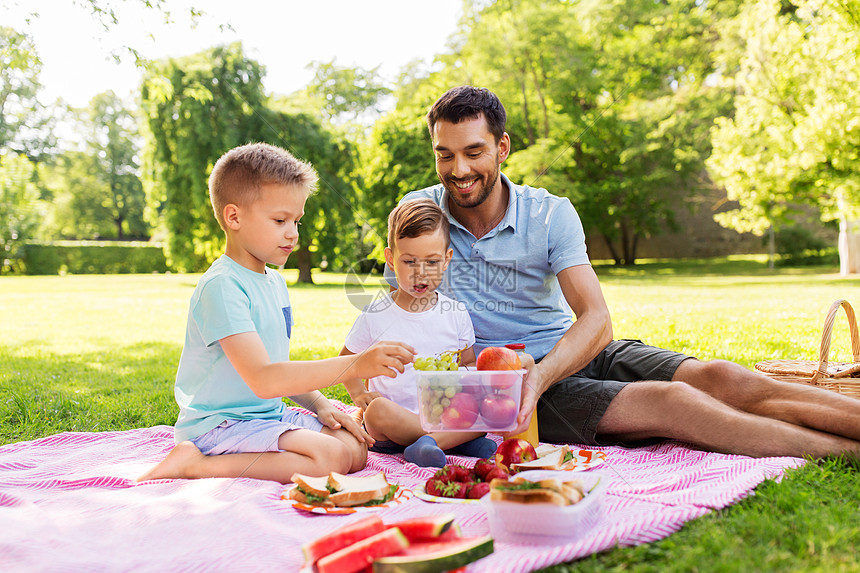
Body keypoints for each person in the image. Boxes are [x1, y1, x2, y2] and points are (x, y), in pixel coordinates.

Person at [392, 85, 860, 459]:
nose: (459, 169)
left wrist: (542, 373)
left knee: (722, 378)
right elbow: (402, 320)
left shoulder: (549, 213)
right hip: (502, 391)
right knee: (675, 404)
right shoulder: (417, 216)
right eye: (445, 155)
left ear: (502, 147)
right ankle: (843, 453)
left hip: (568, 356)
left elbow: (596, 318)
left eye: (473, 151)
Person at [137, 143, 414, 484]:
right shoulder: (222, 287)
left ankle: (265, 452)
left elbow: (279, 371)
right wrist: (355, 364)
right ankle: (193, 464)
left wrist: (320, 405)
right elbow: (265, 379)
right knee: (330, 457)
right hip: (221, 426)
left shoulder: (275, 283)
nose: (293, 233)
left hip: (269, 416)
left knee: (354, 447)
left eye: (297, 220)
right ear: (234, 217)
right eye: (280, 220)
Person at [339, 199, 497, 467]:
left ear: (447, 259)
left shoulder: (455, 312)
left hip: (443, 413)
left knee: (490, 403)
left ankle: (429, 444)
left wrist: (465, 382)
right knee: (376, 411)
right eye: (409, 261)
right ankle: (450, 441)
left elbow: (468, 363)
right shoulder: (374, 315)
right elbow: (345, 363)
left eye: (432, 262)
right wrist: (359, 395)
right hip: (391, 424)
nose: (420, 273)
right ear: (391, 259)